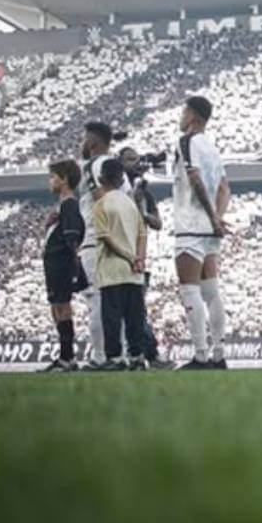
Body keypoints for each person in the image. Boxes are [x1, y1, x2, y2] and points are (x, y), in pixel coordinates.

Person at [172, 96, 231, 371]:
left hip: (191, 223)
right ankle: (219, 353)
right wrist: (218, 218)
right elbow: (224, 188)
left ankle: (200, 355)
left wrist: (210, 217)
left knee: (189, 289)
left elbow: (195, 179)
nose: (181, 116)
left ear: (193, 116)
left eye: (184, 111)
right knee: (212, 291)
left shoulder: (187, 141)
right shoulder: (213, 148)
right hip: (209, 228)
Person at [88, 158, 149, 371]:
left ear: (101, 178)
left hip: (112, 269)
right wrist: (139, 259)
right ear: (122, 178)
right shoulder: (130, 204)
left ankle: (114, 358)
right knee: (135, 318)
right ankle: (137, 357)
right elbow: (143, 234)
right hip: (133, 272)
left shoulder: (101, 204)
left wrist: (128, 257)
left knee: (112, 319)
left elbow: (105, 238)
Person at [78, 121, 126, 365]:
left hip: (97, 239)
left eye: (84, 138)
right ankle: (122, 356)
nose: (82, 143)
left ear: (93, 141)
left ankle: (99, 357)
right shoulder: (117, 169)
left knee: (96, 300)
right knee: (116, 303)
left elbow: (101, 199)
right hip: (118, 240)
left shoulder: (93, 166)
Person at [119, 146, 170, 370]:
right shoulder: (115, 189)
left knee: (136, 311)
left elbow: (158, 223)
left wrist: (143, 212)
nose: (135, 164)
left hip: (139, 256)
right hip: (119, 253)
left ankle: (147, 353)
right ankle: (138, 353)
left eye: (137, 159)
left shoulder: (143, 192)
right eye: (129, 159)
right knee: (126, 310)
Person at [39, 159, 86, 373]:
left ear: (64, 179)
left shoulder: (69, 204)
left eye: (53, 176)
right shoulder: (63, 206)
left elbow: (73, 236)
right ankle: (64, 356)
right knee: (56, 306)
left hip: (61, 263)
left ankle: (68, 357)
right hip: (54, 263)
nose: (50, 181)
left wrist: (73, 264)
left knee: (62, 306)